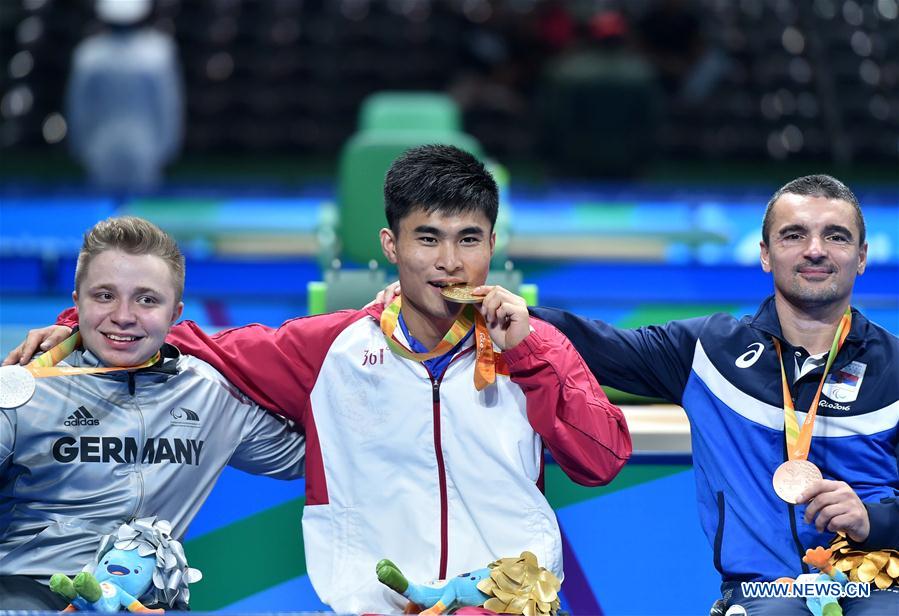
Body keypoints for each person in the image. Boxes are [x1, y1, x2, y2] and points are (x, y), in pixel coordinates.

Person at [6, 145, 632, 613]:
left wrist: (528, 354)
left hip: (504, 604)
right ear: (391, 244)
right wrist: (80, 326)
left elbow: (602, 459)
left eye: (469, 239)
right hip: (377, 605)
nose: (449, 262)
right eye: (428, 239)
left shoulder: (534, 344)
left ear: (493, 243)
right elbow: (189, 337)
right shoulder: (327, 348)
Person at [530, 175, 898, 614]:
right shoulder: (710, 350)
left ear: (861, 258)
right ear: (765, 254)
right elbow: (595, 343)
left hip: (875, 585)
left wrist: (873, 520)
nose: (815, 249)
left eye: (835, 237)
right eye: (794, 235)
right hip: (766, 593)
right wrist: (507, 315)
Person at [0, 217, 306, 610]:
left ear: (175, 312)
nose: (124, 315)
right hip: (31, 592)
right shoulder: (26, 389)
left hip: (143, 601)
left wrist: (390, 328)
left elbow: (321, 456)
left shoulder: (212, 394)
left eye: (147, 300)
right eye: (105, 296)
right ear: (76, 303)